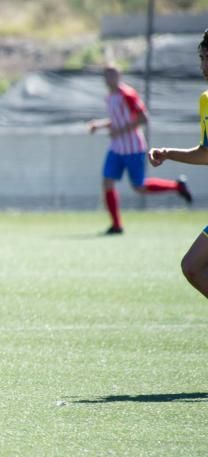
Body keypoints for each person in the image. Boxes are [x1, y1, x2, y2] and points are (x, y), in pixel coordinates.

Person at [89, 65, 192, 235]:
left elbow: (143, 118)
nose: (109, 79)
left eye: (112, 75)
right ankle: (116, 225)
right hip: (116, 148)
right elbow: (117, 120)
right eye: (106, 75)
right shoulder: (109, 97)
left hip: (133, 148)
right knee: (107, 182)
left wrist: (119, 131)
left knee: (140, 187)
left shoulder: (127, 94)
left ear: (119, 76)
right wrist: (99, 125)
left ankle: (177, 186)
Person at [148, 30, 208, 299]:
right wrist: (168, 153)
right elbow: (207, 153)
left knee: (192, 265)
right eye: (202, 58)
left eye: (206, 58)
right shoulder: (206, 100)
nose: (203, 66)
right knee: (192, 267)